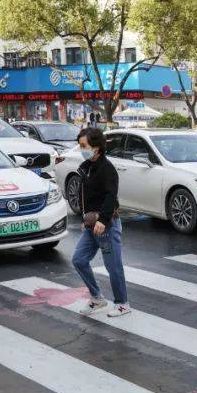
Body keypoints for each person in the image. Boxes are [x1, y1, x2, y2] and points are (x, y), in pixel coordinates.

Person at [72, 127, 130, 317]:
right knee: (79, 260)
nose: (82, 149)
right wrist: (86, 218)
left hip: (107, 225)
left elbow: (110, 197)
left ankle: (122, 304)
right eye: (80, 146)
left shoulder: (107, 169)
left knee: (113, 266)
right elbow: (86, 196)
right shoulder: (87, 167)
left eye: (84, 146)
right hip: (91, 225)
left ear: (97, 147)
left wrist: (103, 220)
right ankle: (97, 298)